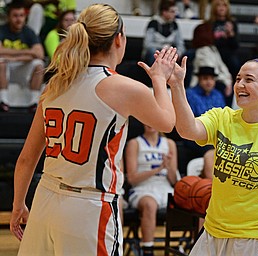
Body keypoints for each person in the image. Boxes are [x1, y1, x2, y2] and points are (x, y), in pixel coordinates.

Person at [9, 3, 178, 255]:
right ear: (119, 39)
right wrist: (159, 79)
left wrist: (18, 204)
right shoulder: (124, 87)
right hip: (89, 207)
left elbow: (26, 159)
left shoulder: (54, 85)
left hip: (44, 199)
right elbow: (167, 121)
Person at [166, 55, 258, 255]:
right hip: (212, 232)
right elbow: (187, 130)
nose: (240, 85)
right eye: (238, 79)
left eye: (249, 79)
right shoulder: (222, 117)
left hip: (255, 238)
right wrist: (177, 85)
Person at [125, 124, 178, 256]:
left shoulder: (169, 144)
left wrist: (169, 167)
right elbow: (131, 178)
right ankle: (148, 251)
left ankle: (193, 246)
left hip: (165, 187)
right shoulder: (135, 143)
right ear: (142, 122)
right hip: (142, 188)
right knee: (150, 204)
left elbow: (174, 181)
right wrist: (158, 169)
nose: (150, 124)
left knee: (195, 202)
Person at [0, 1, 44, 112]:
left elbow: (39, 54)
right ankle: (3, 101)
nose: (18, 19)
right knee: (1, 62)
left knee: (39, 64)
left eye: (21, 16)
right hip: (6, 67)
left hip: (21, 66)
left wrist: (14, 57)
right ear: (9, 17)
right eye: (15, 16)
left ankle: (34, 103)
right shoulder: (2, 30)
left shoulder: (29, 32)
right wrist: (28, 52)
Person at [185, 66, 225, 178]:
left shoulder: (218, 94)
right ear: (199, 79)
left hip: (217, 133)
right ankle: (210, 185)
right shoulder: (190, 94)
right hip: (197, 134)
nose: (209, 82)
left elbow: (224, 118)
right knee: (212, 151)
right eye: (205, 78)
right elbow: (191, 120)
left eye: (211, 79)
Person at [142, 0, 185, 67]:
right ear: (164, 12)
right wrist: (163, 47)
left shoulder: (174, 25)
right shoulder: (153, 23)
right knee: (152, 52)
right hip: (156, 52)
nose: (175, 14)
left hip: (169, 53)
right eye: (172, 11)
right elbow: (147, 44)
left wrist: (178, 54)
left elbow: (180, 44)